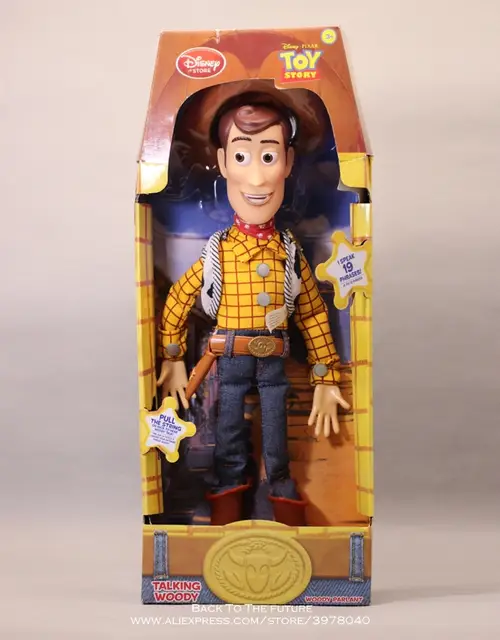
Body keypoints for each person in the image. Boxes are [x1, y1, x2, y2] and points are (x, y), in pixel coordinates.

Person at [157, 93, 349, 526]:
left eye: (269, 156)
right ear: (223, 163)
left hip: (274, 364)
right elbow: (180, 297)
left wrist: (325, 377)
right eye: (242, 156)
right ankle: (227, 499)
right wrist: (172, 357)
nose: (258, 178)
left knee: (277, 440)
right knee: (228, 435)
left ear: (288, 162)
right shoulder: (219, 251)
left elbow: (312, 313)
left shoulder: (289, 251)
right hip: (229, 359)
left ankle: (281, 495)